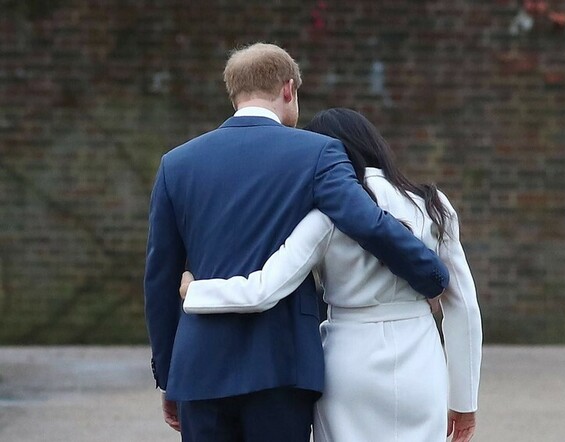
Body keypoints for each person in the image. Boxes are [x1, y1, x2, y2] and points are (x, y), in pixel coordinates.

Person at [144, 44, 449, 442]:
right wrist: (430, 273)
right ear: (289, 89)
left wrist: (170, 375)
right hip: (282, 365)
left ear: (233, 92)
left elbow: (160, 279)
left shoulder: (177, 163)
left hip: (199, 368)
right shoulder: (318, 153)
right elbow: (368, 223)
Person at [180, 108, 482, 441]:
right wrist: (464, 401)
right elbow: (463, 307)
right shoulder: (433, 205)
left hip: (348, 360)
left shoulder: (324, 216)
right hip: (420, 358)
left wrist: (195, 291)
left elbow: (264, 289)